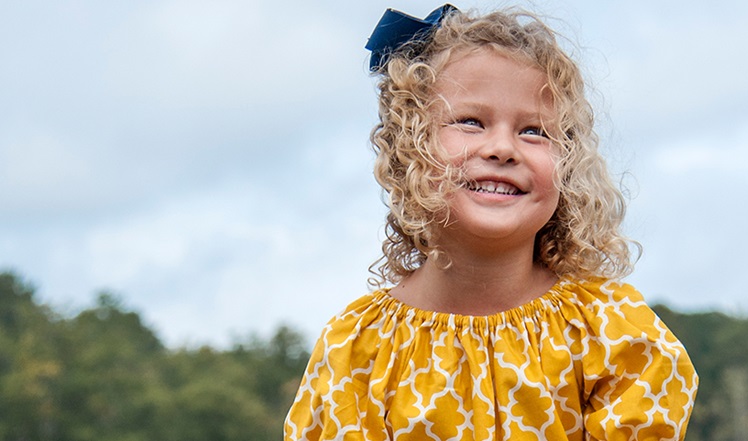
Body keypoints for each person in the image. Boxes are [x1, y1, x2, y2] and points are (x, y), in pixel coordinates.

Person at [284, 5, 698, 440]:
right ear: (409, 146)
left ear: (569, 165)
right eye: (470, 122)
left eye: (534, 131)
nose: (502, 148)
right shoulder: (357, 349)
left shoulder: (612, 332)